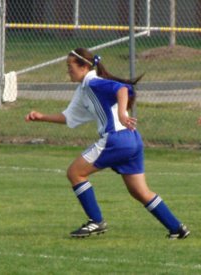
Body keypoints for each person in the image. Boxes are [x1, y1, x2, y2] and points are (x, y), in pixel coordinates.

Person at [25, 48, 190, 239]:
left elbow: (122, 89)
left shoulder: (94, 83)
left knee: (75, 173)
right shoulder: (84, 89)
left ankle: (96, 221)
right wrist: (41, 117)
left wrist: (121, 113)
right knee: (140, 191)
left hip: (116, 139)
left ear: (85, 66)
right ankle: (177, 228)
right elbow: (68, 117)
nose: (68, 71)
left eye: (70, 66)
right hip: (132, 140)